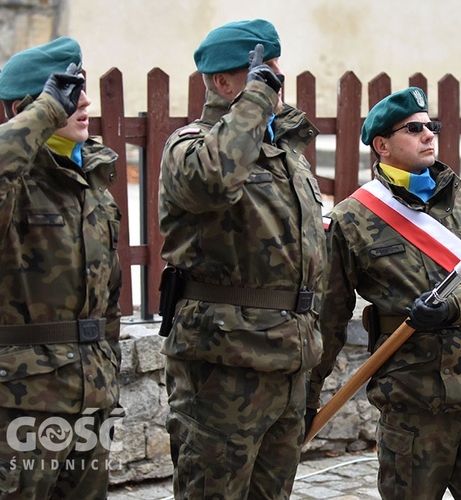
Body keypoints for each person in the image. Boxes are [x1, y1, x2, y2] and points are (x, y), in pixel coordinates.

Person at [307, 87, 461, 499]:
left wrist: (451, 308)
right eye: (414, 128)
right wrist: (307, 396)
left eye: (431, 126)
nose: (428, 136)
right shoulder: (354, 217)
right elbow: (328, 316)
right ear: (382, 145)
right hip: (412, 403)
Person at [158, 19, 327, 499]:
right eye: (257, 71)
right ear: (221, 82)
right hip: (223, 367)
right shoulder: (188, 146)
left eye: (274, 69)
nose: (273, 80)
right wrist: (253, 100)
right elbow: (215, 180)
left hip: (288, 362)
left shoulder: (286, 154)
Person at [0, 37, 122, 498]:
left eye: (82, 87)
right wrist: (43, 112)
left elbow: (107, 297)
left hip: (90, 397)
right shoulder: (7, 186)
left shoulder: (92, 182)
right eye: (66, 91)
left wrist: (108, 370)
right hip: (19, 402)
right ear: (28, 107)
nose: (84, 101)